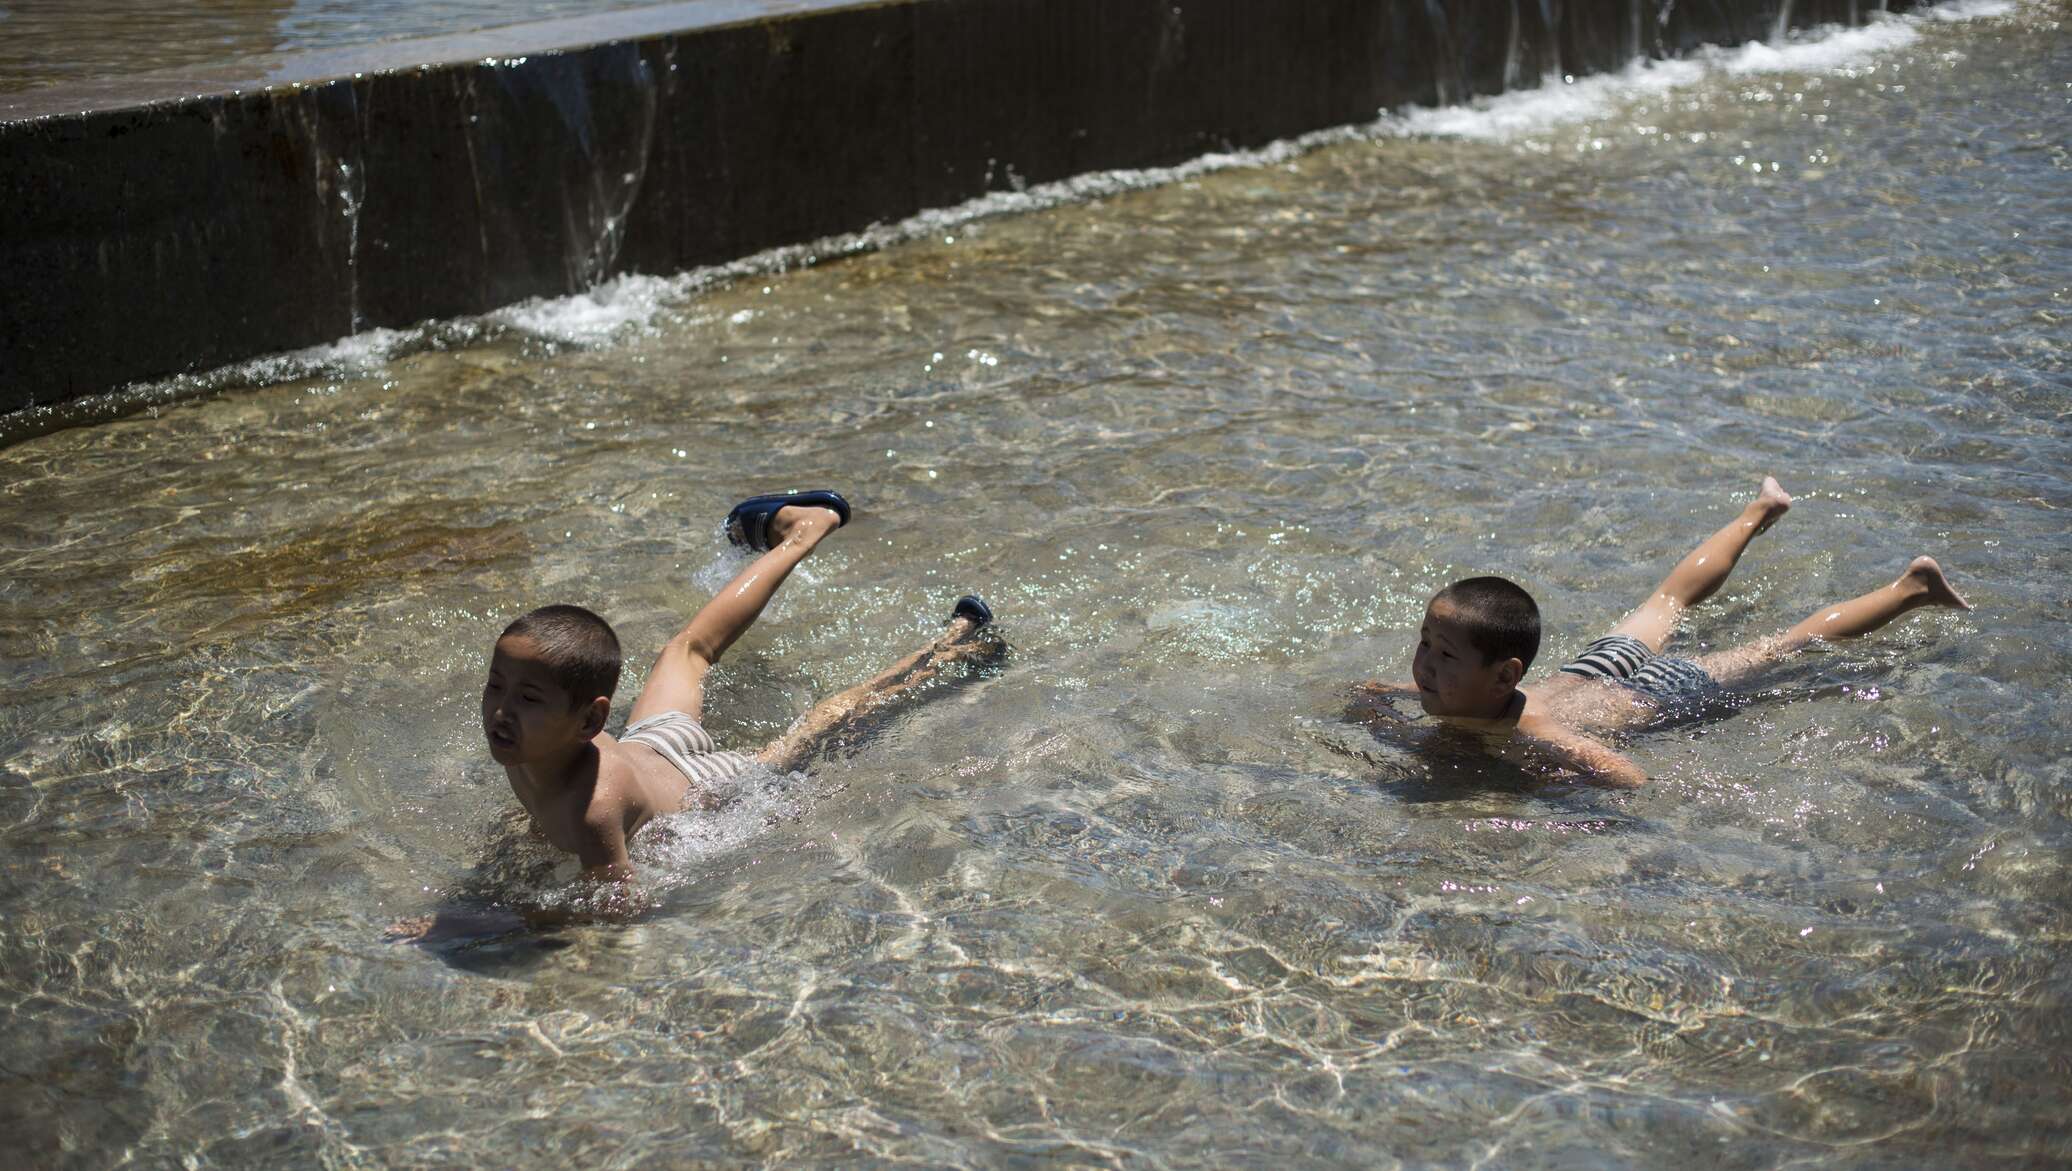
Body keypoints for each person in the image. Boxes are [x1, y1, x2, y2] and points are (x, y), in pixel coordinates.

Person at [479, 489, 997, 881]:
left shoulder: (593, 812)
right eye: (496, 686)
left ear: (591, 721)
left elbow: (617, 907)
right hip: (651, 743)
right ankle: (804, 528)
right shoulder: (522, 742)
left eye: (526, 699)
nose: (501, 711)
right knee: (687, 650)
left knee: (817, 727)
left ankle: (955, 647)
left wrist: (489, 925)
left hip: (706, 788)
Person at [1353, 477, 1971, 788]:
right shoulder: (1453, 697)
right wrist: (1371, 707)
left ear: (1505, 676)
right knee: (1667, 599)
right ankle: (1759, 510)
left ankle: (1912, 587)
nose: (1425, 667)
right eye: (1425, 646)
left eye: (1445, 655)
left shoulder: (1534, 728)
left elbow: (1628, 776)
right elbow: (1374, 690)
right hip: (1590, 671)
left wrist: (1560, 794)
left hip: (1657, 691)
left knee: (1782, 646)